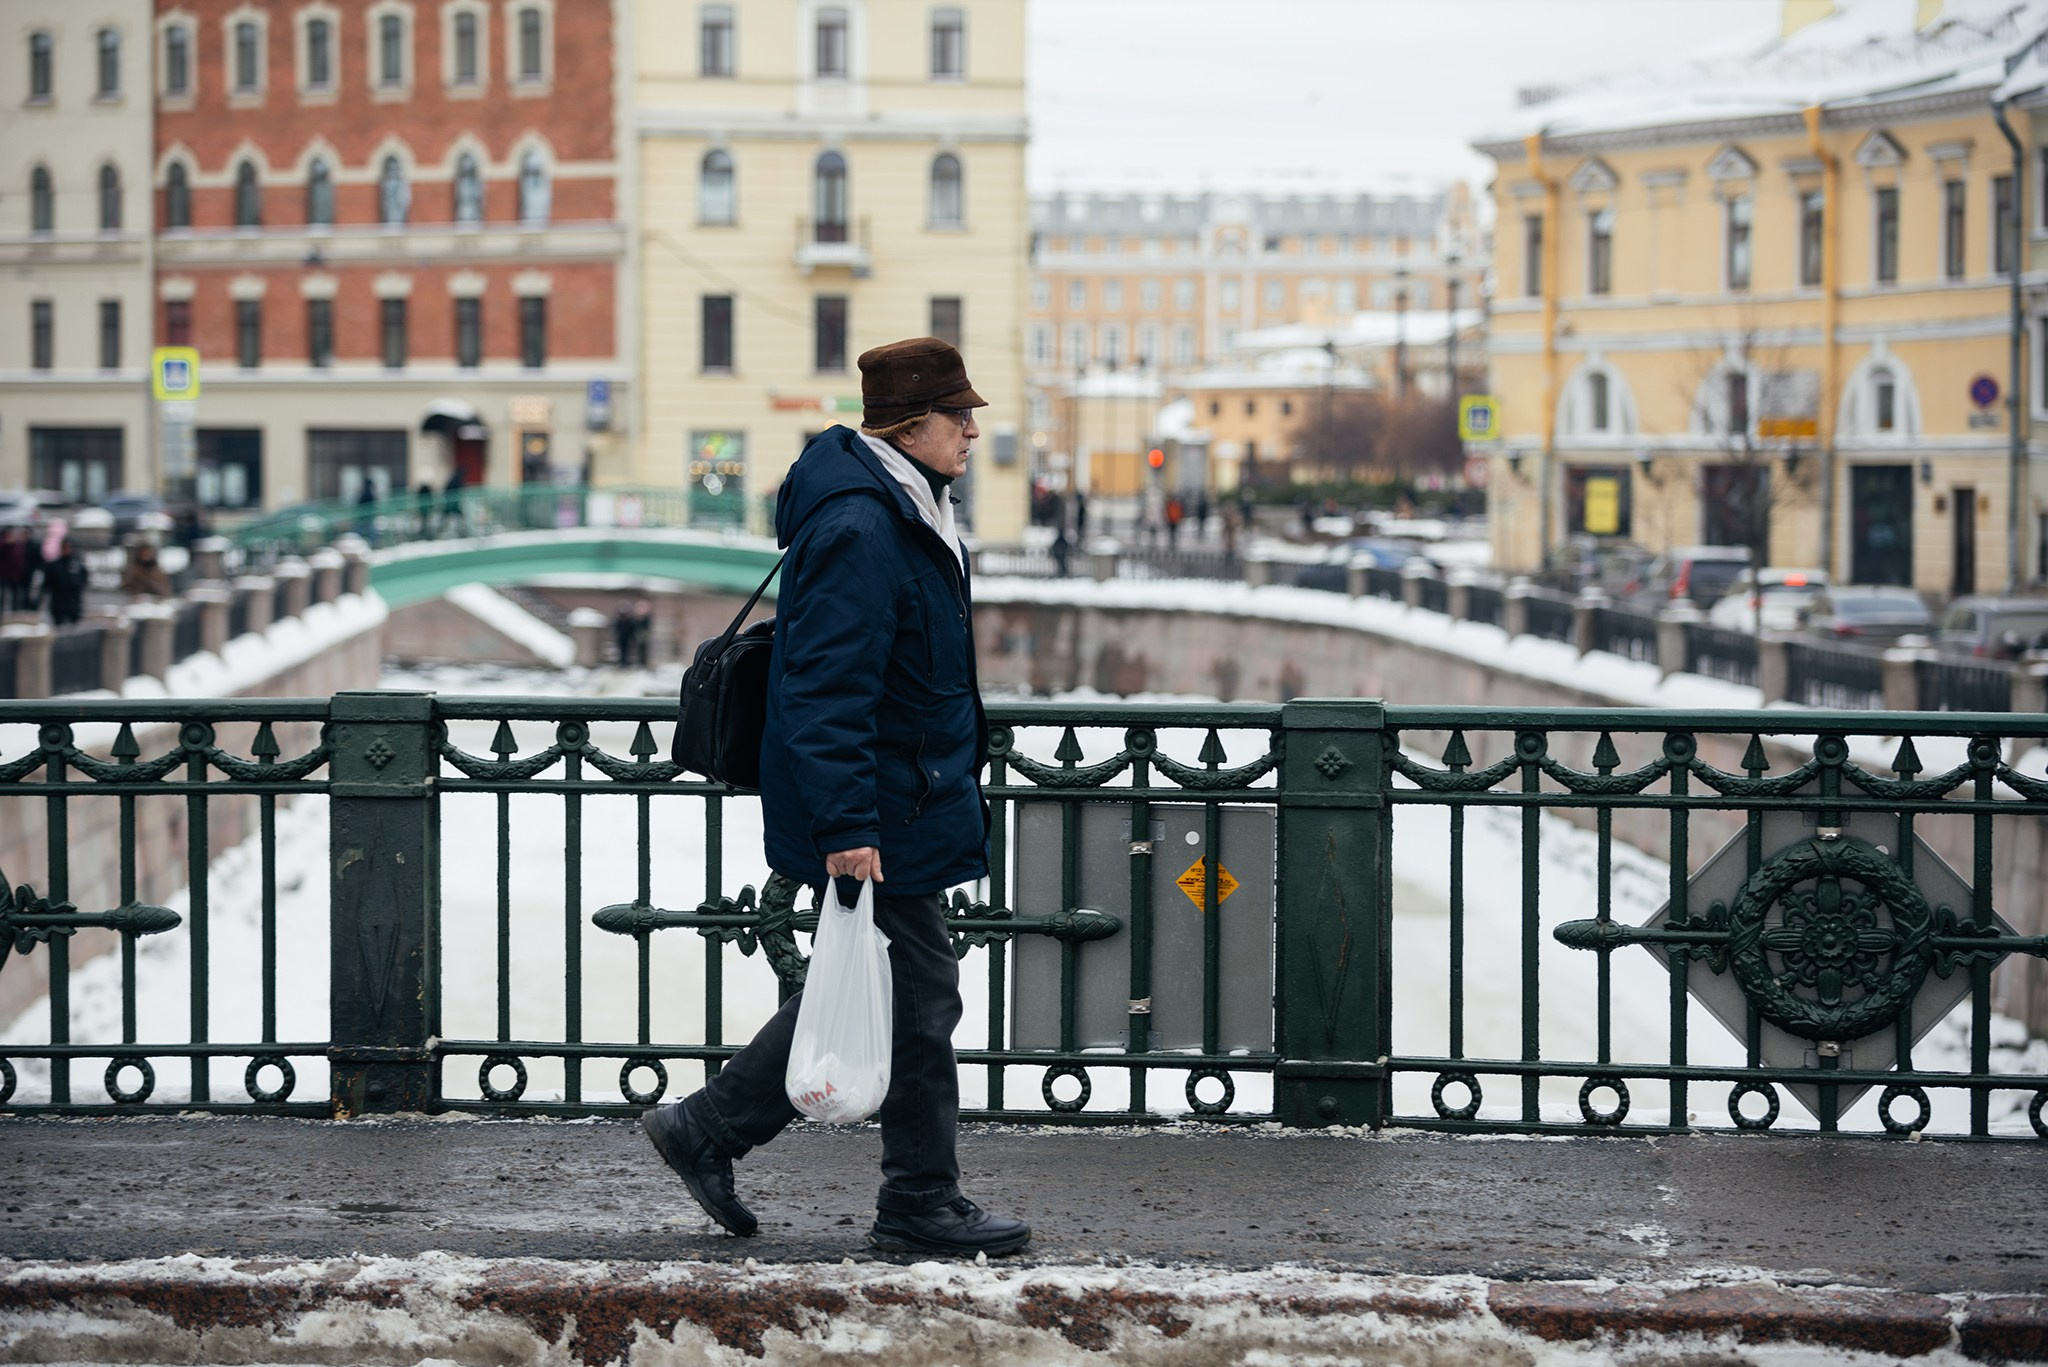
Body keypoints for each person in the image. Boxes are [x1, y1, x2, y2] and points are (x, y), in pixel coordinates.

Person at [639, 336, 1029, 1259]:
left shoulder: (902, 505)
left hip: (905, 792)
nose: (973, 429)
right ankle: (917, 1200)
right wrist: (849, 825)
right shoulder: (862, 525)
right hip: (882, 807)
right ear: (909, 424)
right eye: (957, 415)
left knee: (896, 994)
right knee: (923, 1000)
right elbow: (822, 688)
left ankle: (710, 1129)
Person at [38, 538, 89, 627]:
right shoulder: (54, 565)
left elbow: (83, 581)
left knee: (74, 627)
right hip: (58, 602)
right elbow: (46, 584)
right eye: (65, 548)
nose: (67, 550)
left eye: (69, 548)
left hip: (73, 603)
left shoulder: (77, 565)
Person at [0, 526, 34, 612]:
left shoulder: (18, 545)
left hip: (15, 575)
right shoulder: (3, 544)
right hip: (4, 575)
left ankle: (15, 611)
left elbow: (21, 559)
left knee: (15, 595)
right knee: (3, 595)